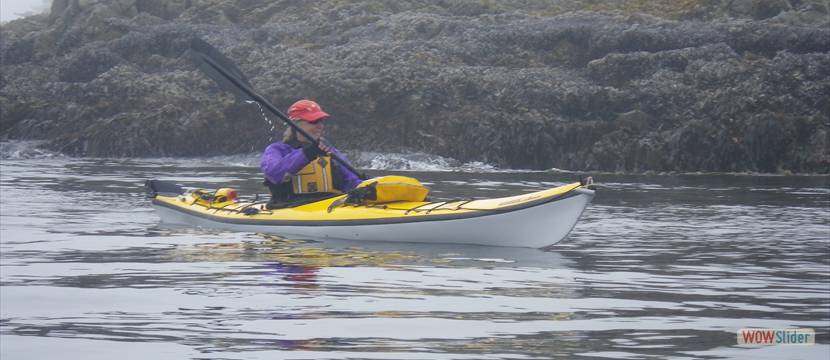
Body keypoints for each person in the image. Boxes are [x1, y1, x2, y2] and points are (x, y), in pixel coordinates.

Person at [260, 99, 362, 206]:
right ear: (295, 124)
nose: (320, 126)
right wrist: (307, 153)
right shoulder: (276, 150)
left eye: (321, 121)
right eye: (314, 121)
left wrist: (365, 188)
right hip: (288, 207)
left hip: (328, 207)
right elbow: (274, 174)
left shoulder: (328, 150)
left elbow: (352, 181)